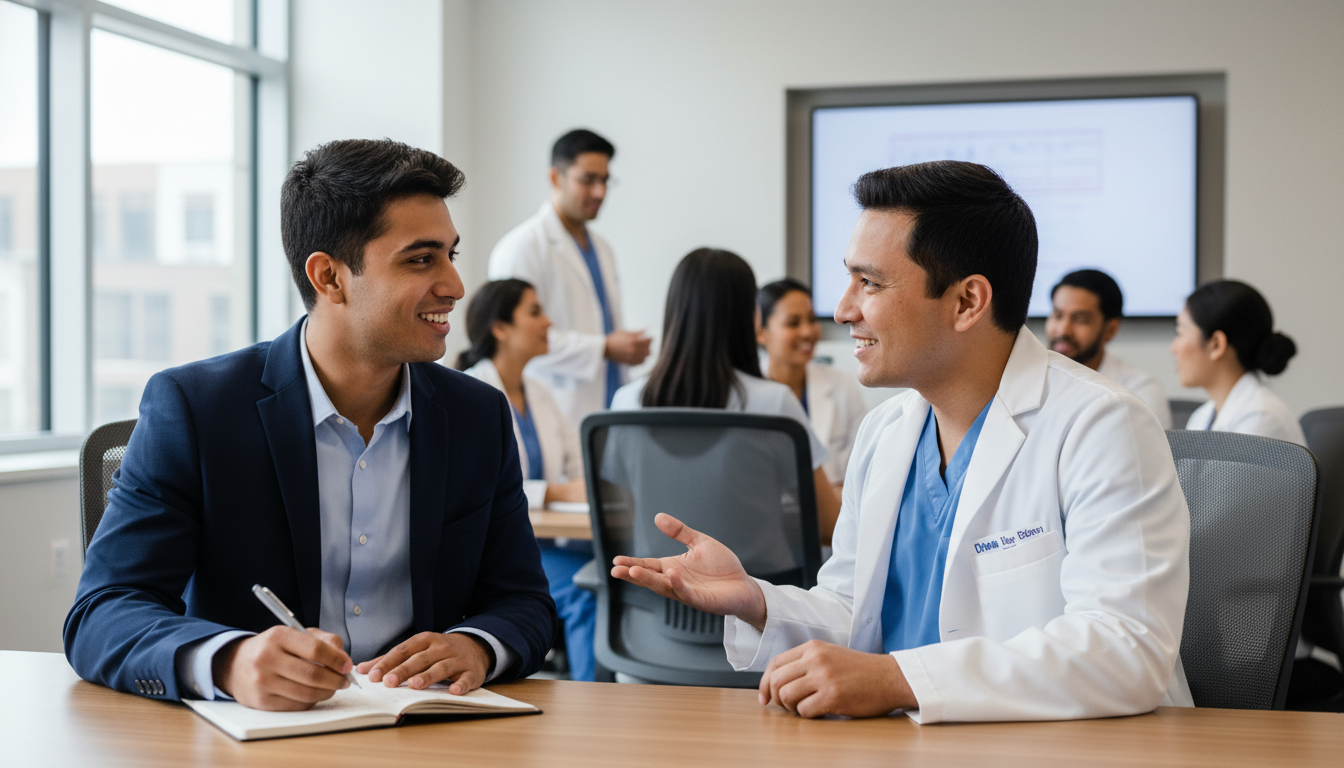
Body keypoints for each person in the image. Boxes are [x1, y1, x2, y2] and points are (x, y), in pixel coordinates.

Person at [610, 161, 1192, 724]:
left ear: (966, 302)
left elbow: (1126, 648)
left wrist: (900, 679)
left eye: (869, 283)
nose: (841, 310)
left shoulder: (1102, 425)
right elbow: (855, 616)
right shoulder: (886, 431)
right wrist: (756, 600)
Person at [64, 139, 558, 711]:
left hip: (425, 733)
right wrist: (229, 660)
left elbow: (524, 601)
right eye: (421, 259)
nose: (454, 285)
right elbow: (103, 612)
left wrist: (476, 647)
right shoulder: (197, 409)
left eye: (451, 254)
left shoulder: (477, 415)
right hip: (255, 739)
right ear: (329, 277)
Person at [611, 248, 842, 543]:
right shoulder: (774, 402)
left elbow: (625, 516)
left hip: (659, 583)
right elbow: (827, 526)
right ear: (750, 316)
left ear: (674, 310)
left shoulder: (626, 403)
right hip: (755, 586)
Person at [457, 279, 597, 681]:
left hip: (552, 541)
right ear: (500, 327)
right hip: (508, 550)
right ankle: (594, 702)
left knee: (607, 574)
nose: (548, 322)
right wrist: (554, 492)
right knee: (585, 588)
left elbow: (576, 466)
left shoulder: (540, 391)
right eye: (534, 312)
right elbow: (478, 486)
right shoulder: (472, 392)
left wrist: (581, 486)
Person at [488, 128, 650, 428]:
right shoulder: (522, 247)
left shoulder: (603, 249)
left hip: (609, 404)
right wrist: (604, 347)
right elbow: (517, 340)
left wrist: (620, 348)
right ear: (555, 178)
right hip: (557, 408)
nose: (600, 192)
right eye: (588, 180)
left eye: (604, 180)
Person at [757, 278, 869, 489]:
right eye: (793, 323)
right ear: (761, 332)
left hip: (837, 515)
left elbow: (865, 468)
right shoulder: (749, 394)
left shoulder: (842, 386)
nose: (808, 332)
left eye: (811, 320)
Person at [1172, 280, 1305, 445]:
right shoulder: (1201, 417)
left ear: (1216, 344)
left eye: (1180, 332)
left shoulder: (1261, 418)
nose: (1174, 347)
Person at [1045, 269, 1173, 428]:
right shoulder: (1029, 382)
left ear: (1110, 329)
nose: (1063, 330)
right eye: (1057, 316)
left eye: (1080, 320)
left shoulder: (1140, 393)